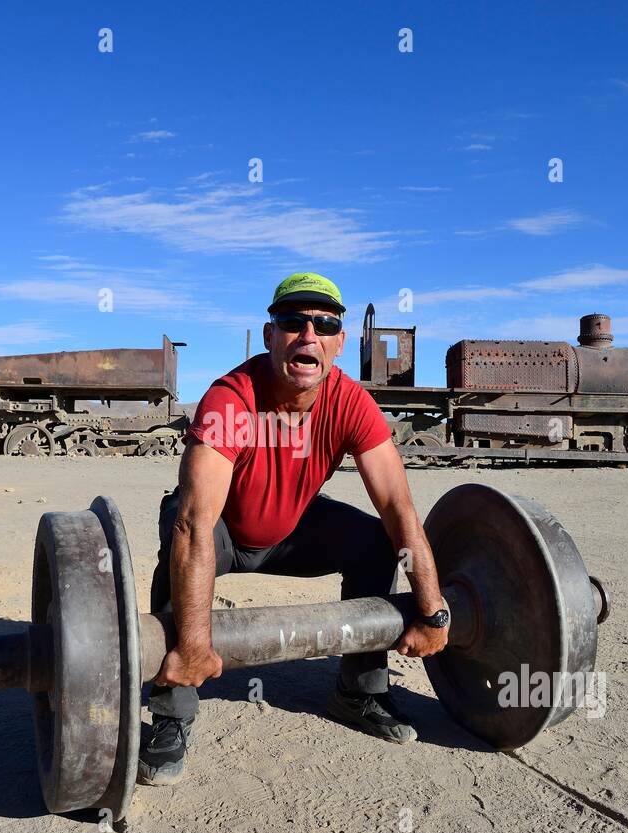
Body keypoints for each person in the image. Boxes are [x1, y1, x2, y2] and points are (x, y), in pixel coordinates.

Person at [139, 272, 450, 785]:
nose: (309, 334)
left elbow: (399, 507)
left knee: (377, 542)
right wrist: (196, 641)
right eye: (292, 321)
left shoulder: (352, 404)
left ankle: (360, 691)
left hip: (290, 527)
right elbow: (196, 525)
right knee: (183, 543)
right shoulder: (231, 398)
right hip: (221, 527)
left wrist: (433, 611)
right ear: (269, 336)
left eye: (324, 323)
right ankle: (173, 710)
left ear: (339, 343)